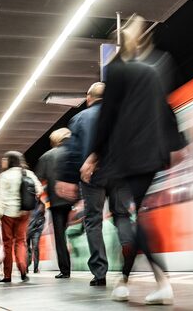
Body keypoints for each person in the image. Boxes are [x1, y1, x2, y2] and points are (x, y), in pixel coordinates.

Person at [81, 16, 184, 305]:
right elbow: (165, 111)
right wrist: (176, 145)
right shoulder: (151, 72)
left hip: (127, 157)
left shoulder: (116, 72)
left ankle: (161, 282)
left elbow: (108, 116)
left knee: (137, 219)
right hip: (152, 156)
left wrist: (94, 155)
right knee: (138, 216)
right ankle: (124, 280)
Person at [56, 82, 133, 287]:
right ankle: (128, 248)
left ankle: (100, 273)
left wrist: (69, 179)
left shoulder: (79, 118)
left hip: (91, 177)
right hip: (119, 174)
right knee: (122, 215)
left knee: (93, 221)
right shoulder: (121, 115)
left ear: (88, 98)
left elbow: (72, 154)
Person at [0, 151, 41, 283]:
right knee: (21, 241)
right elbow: (39, 189)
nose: (2, 161)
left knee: (7, 244)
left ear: (9, 161)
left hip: (7, 213)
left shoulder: (4, 176)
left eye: (4, 159)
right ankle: (23, 268)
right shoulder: (28, 173)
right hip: (24, 213)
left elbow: (0, 198)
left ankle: (7, 275)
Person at [35, 128, 73, 279]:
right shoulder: (74, 153)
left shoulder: (47, 156)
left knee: (60, 236)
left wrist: (42, 199)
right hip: (74, 198)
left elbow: (38, 181)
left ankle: (65, 270)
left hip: (57, 203)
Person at [26, 201, 45, 274]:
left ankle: (36, 268)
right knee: (26, 249)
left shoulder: (41, 205)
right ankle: (26, 267)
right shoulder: (27, 203)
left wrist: (40, 227)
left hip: (36, 230)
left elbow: (43, 217)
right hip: (27, 229)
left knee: (36, 247)